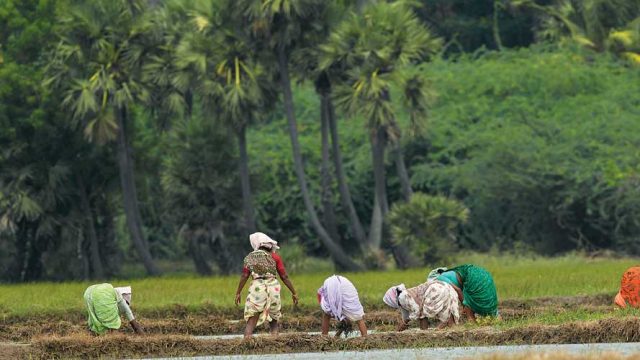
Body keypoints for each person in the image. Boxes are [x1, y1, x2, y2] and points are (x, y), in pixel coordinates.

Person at [235, 232, 298, 338]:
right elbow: (284, 277)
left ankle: (246, 344)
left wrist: (238, 293)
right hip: (273, 288)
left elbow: (244, 276)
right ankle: (275, 344)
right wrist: (294, 292)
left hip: (257, 290)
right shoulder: (275, 257)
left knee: (251, 321)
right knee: (273, 322)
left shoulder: (251, 257)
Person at [383, 280, 459, 331]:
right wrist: (403, 325)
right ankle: (452, 329)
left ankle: (436, 330)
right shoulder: (404, 297)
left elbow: (416, 310)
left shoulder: (402, 297)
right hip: (443, 286)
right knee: (446, 310)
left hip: (435, 290)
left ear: (392, 300)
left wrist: (406, 322)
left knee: (423, 313)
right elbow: (406, 315)